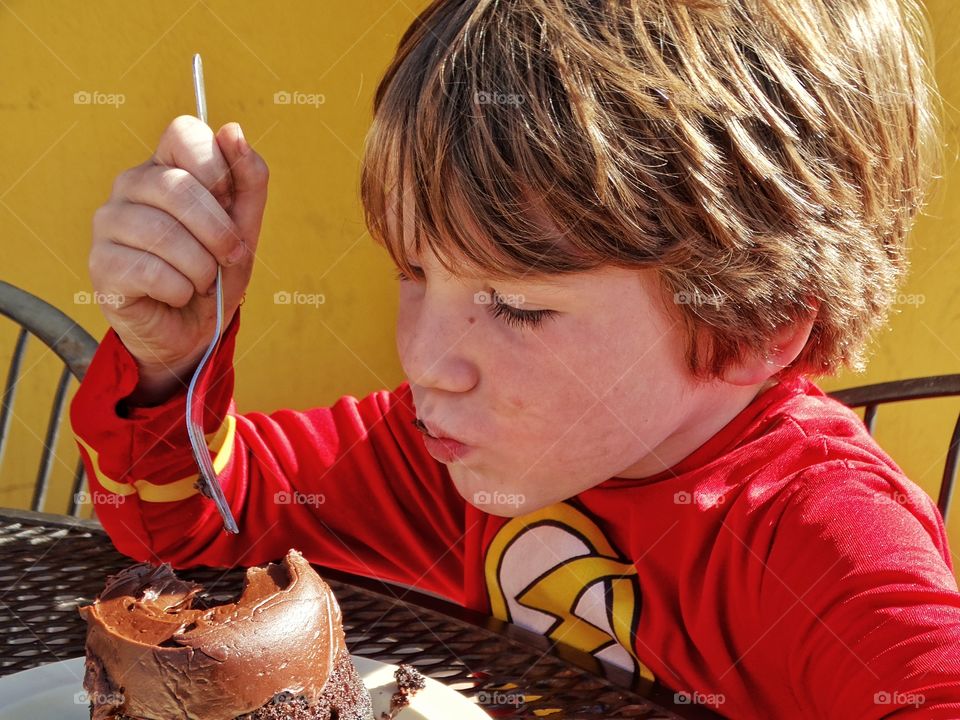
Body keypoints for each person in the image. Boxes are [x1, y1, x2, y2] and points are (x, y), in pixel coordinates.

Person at [70, 0, 959, 716]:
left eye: (519, 306)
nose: (424, 360)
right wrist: (170, 364)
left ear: (763, 322)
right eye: (415, 272)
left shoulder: (821, 539)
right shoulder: (452, 452)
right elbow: (198, 533)